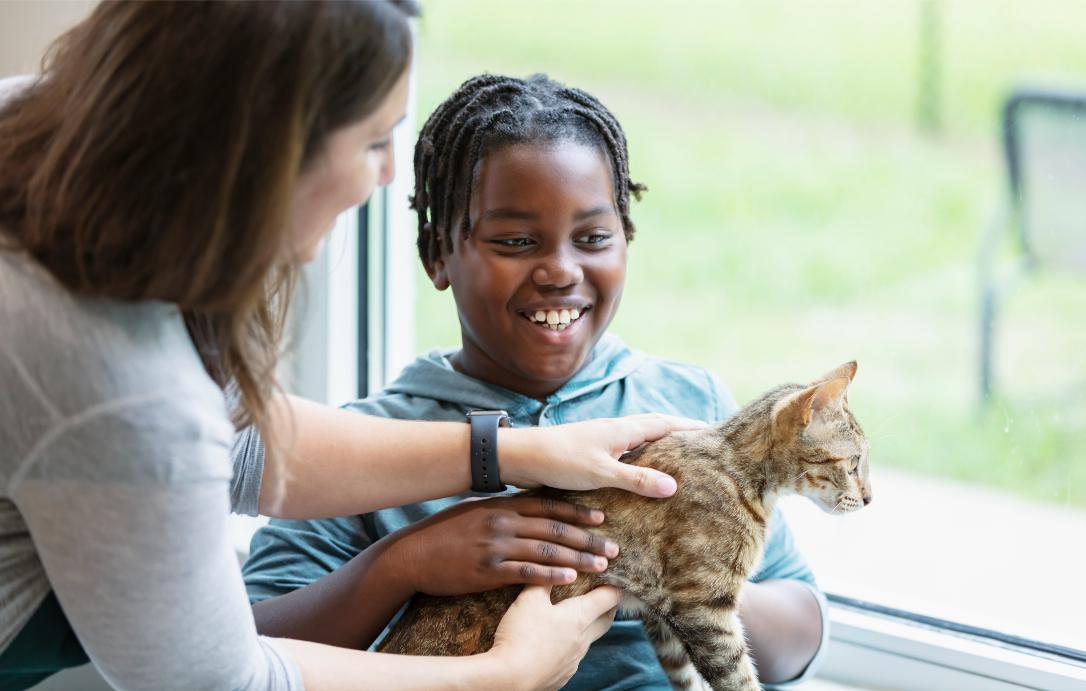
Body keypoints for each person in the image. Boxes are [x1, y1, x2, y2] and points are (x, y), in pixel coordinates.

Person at [0, 4, 700, 690]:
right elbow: (220, 678)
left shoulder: (52, 131)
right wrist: (498, 675)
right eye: (372, 141)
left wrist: (509, 452)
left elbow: (229, 442)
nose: (391, 173)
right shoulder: (117, 386)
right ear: (265, 152)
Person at [240, 73, 829, 689]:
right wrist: (402, 564)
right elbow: (248, 656)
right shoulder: (358, 447)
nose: (559, 271)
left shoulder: (687, 406)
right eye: (516, 240)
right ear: (436, 253)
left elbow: (799, 638)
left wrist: (680, 571)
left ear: (626, 240)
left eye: (594, 237)